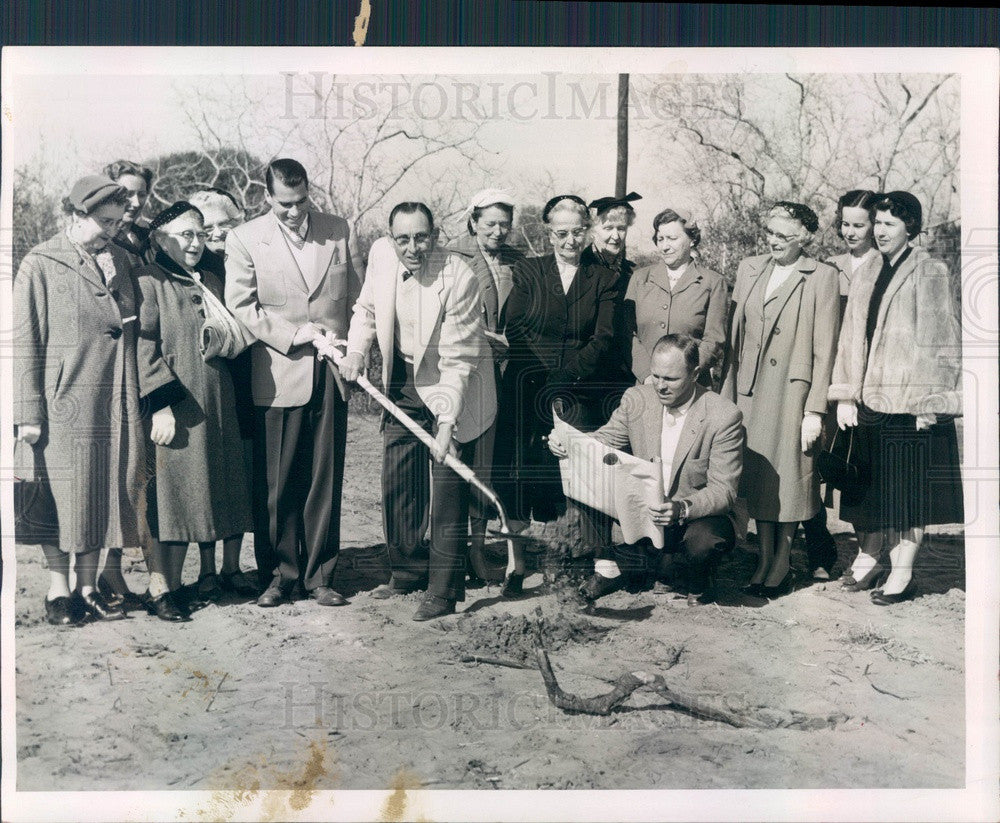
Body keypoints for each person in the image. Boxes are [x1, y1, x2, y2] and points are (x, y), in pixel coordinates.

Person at [341, 203, 496, 621]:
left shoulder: (459, 278)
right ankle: (408, 570)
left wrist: (447, 422)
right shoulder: (379, 255)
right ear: (391, 237)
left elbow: (458, 358)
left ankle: (444, 590)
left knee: (447, 485)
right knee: (399, 475)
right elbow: (367, 310)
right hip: (404, 379)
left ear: (436, 233)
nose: (413, 247)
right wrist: (356, 351)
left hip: (457, 382)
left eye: (422, 237)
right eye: (403, 238)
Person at [225, 158, 360, 608]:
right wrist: (292, 335)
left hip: (331, 374)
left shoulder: (338, 229)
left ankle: (321, 575)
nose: (294, 211)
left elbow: (358, 300)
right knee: (278, 484)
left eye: (301, 200)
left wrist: (352, 351)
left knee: (324, 477)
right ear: (267, 197)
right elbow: (240, 305)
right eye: (284, 203)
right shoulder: (244, 238)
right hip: (278, 374)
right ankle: (279, 576)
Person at [14, 174, 146, 624]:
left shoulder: (121, 260)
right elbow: (24, 340)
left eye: (116, 221)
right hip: (62, 402)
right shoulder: (41, 262)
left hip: (113, 398)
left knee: (100, 490)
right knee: (60, 495)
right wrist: (27, 412)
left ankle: (89, 587)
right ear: (75, 216)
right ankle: (58, 591)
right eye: (102, 222)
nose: (110, 230)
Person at [828, 191, 963, 604]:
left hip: (909, 404)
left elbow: (941, 341)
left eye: (890, 223)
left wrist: (931, 402)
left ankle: (903, 575)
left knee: (908, 497)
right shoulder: (868, 269)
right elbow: (851, 339)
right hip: (870, 402)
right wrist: (847, 395)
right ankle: (872, 560)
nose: (882, 231)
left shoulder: (929, 269)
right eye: (879, 222)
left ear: (911, 228)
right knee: (872, 493)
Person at [549, 334, 744, 606]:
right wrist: (569, 443)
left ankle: (697, 576)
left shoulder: (724, 415)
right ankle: (608, 565)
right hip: (645, 514)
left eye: (671, 379)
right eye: (656, 376)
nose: (660, 386)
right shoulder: (638, 398)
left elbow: (724, 491)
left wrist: (682, 508)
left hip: (691, 516)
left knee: (705, 542)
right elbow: (605, 440)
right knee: (586, 473)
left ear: (695, 374)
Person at [133, 202, 254, 621]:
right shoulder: (149, 282)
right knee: (174, 498)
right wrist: (161, 405)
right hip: (179, 408)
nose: (195, 243)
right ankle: (163, 587)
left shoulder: (210, 278)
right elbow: (144, 346)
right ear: (160, 238)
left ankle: (209, 577)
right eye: (186, 235)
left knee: (215, 488)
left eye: (200, 234)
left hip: (219, 402)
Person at [722, 201, 840, 599]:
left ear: (805, 237)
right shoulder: (749, 268)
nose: (774, 241)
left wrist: (815, 409)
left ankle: (782, 561)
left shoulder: (822, 276)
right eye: (770, 233)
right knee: (756, 476)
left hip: (793, 391)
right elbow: (734, 336)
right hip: (749, 390)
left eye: (784, 236)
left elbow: (826, 348)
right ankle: (763, 556)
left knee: (788, 479)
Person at [493, 194, 619, 538]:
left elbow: (603, 337)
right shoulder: (529, 270)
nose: (570, 241)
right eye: (561, 233)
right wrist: (543, 375)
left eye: (577, 232)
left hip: (577, 386)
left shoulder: (604, 278)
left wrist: (565, 378)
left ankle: (567, 544)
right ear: (549, 234)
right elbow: (514, 326)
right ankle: (515, 550)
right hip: (527, 381)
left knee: (568, 469)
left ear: (588, 232)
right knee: (520, 467)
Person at [799, 190, 885, 581]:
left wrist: (853, 391)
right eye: (844, 223)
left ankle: (869, 554)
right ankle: (819, 550)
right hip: (825, 382)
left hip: (867, 386)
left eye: (859, 224)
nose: (850, 232)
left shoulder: (884, 266)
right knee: (811, 469)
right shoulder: (826, 267)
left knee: (857, 474)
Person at [447, 189, 525, 586]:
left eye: (504, 224)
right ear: (473, 221)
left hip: (503, 370)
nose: (498, 231)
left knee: (487, 460)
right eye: (490, 223)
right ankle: (450, 551)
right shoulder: (451, 256)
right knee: (453, 456)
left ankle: (478, 549)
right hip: (461, 366)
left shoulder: (516, 260)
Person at [186, 187, 257, 600]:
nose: (215, 233)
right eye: (205, 225)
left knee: (241, 474)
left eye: (224, 224)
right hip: (210, 381)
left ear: (241, 221)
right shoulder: (195, 270)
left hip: (249, 382)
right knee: (210, 471)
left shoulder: (250, 262)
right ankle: (208, 569)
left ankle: (234, 565)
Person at [624, 207, 729, 386]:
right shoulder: (640, 278)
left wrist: (686, 374)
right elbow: (626, 333)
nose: (665, 246)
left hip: (692, 385)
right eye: (660, 239)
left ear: (692, 240)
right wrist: (647, 375)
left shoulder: (713, 282)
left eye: (672, 239)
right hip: (646, 385)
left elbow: (714, 340)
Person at [581, 192, 641, 420]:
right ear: (594, 229)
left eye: (622, 228)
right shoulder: (580, 267)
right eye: (608, 228)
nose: (616, 236)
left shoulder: (630, 272)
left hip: (621, 377)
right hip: (586, 378)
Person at [104, 160, 155, 263]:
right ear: (109, 195)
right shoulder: (101, 240)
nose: (136, 203)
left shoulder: (148, 237)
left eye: (141, 195)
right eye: (128, 194)